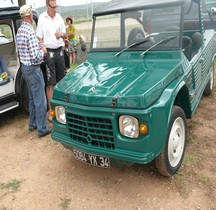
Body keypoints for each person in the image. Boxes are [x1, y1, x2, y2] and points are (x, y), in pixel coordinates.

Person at [16, 5, 52, 138]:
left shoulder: (20, 30)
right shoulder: (30, 31)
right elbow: (34, 55)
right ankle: (42, 129)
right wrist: (42, 51)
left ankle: (33, 124)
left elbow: (22, 52)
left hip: (25, 68)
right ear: (29, 15)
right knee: (40, 100)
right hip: (33, 69)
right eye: (31, 12)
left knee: (32, 98)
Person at [36, 0, 66, 121]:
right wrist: (43, 48)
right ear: (47, 6)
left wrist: (62, 34)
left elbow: (65, 34)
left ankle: (63, 111)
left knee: (62, 82)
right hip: (49, 53)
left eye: (56, 7)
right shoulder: (42, 18)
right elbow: (39, 37)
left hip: (59, 51)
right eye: (53, 7)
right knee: (50, 84)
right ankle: (52, 113)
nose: (55, 10)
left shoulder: (59, 17)